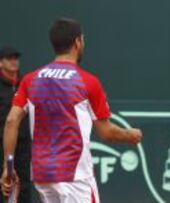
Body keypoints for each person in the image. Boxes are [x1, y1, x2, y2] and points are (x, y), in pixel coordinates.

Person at [0, 18, 142, 203]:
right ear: (77, 42)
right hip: (75, 177)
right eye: (83, 38)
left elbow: (11, 121)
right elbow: (106, 133)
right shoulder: (87, 82)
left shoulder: (30, 79)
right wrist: (130, 135)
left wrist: (7, 167)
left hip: (43, 176)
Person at [0, 46, 32, 203]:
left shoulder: (25, 83)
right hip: (3, 145)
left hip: (25, 145)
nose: (14, 62)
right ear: (1, 63)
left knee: (25, 185)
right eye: (9, 58)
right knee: (4, 185)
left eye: (16, 58)